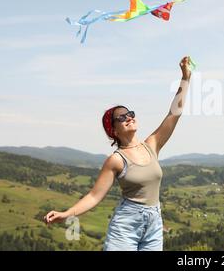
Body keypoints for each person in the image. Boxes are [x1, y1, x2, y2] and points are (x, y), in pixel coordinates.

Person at [43, 56, 192, 251]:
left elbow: (174, 113)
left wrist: (185, 79)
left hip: (154, 224)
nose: (128, 117)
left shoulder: (152, 145)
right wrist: (67, 213)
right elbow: (94, 196)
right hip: (126, 226)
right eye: (121, 117)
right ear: (114, 130)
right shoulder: (116, 160)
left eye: (130, 113)